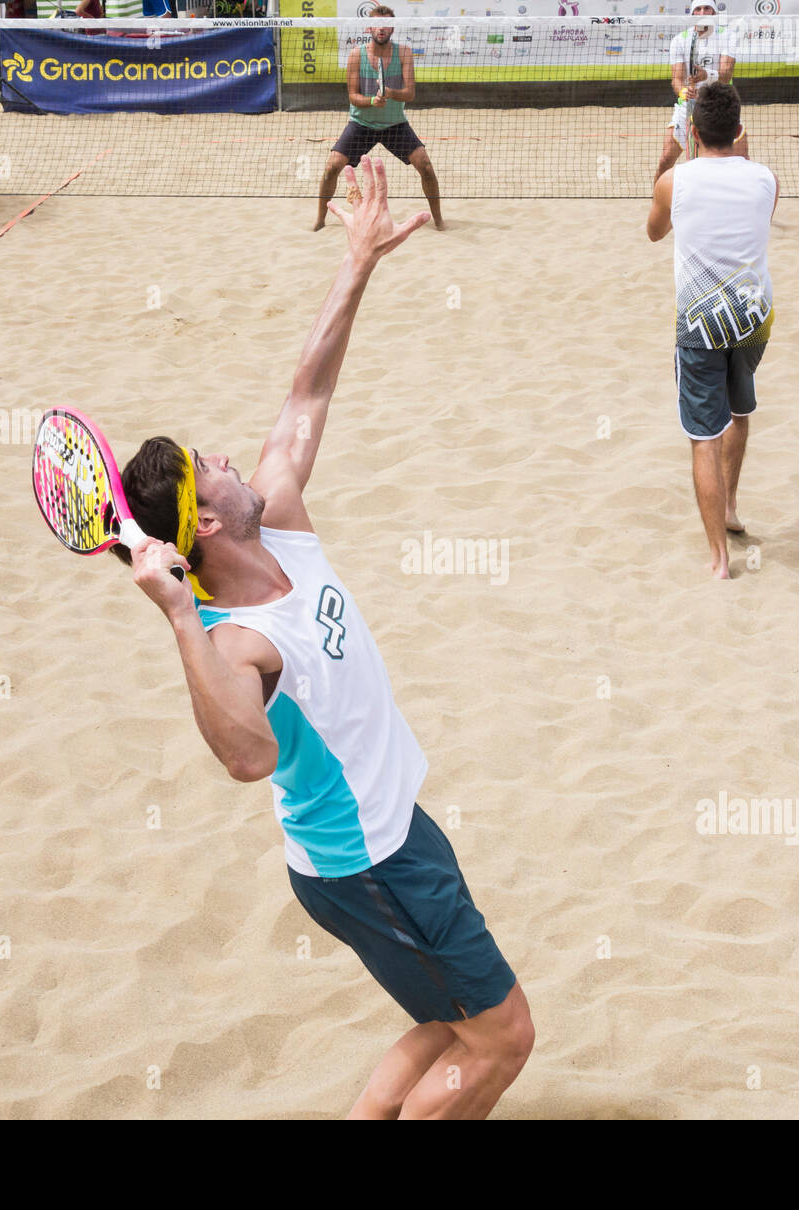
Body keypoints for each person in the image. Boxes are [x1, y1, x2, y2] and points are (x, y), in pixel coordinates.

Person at [112, 157, 531, 1118]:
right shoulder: (240, 638)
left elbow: (306, 396)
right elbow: (246, 757)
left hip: (391, 832)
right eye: (208, 468)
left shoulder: (283, 518)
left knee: (449, 1025)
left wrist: (358, 263)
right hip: (369, 863)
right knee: (505, 1039)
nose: (227, 456)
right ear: (206, 524)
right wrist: (180, 615)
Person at [647, 82, 777, 580]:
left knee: (703, 438)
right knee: (739, 411)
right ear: (740, 130)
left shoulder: (674, 182)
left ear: (693, 133)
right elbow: (757, 220)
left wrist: (669, 160)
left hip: (700, 320)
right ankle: (730, 507)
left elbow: (654, 231)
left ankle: (720, 561)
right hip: (753, 316)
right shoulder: (766, 179)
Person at [314, 6, 444, 232]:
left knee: (426, 166)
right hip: (361, 124)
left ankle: (439, 221)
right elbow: (353, 97)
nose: (381, 29)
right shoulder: (356, 55)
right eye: (377, 25)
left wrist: (390, 93)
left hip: (395, 124)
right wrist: (372, 101)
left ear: (393, 28)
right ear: (369, 27)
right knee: (331, 168)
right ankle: (320, 221)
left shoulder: (403, 53)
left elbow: (410, 94)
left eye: (386, 25)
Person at [655, 1, 747, 181]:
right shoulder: (680, 40)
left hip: (720, 104)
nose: (702, 12)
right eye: (698, 9)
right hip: (689, 107)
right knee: (665, 160)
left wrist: (707, 76)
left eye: (707, 8)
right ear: (692, 13)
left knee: (743, 160)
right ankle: (658, 204)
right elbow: (677, 79)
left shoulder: (728, 36)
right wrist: (682, 92)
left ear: (714, 12)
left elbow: (726, 75)